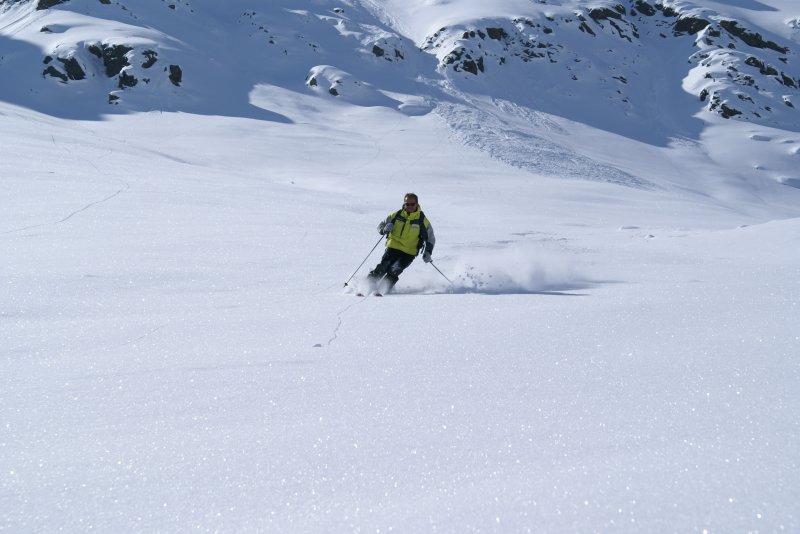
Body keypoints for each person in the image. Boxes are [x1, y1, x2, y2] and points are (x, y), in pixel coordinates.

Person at [366, 193, 435, 294]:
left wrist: (428, 252)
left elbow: (430, 238)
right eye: (407, 204)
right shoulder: (396, 215)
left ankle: (382, 290)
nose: (410, 207)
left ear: (417, 204)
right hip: (392, 247)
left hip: (409, 252)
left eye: (412, 204)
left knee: (395, 269)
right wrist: (384, 229)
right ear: (404, 204)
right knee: (383, 266)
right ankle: (368, 285)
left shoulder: (422, 220)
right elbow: (381, 225)